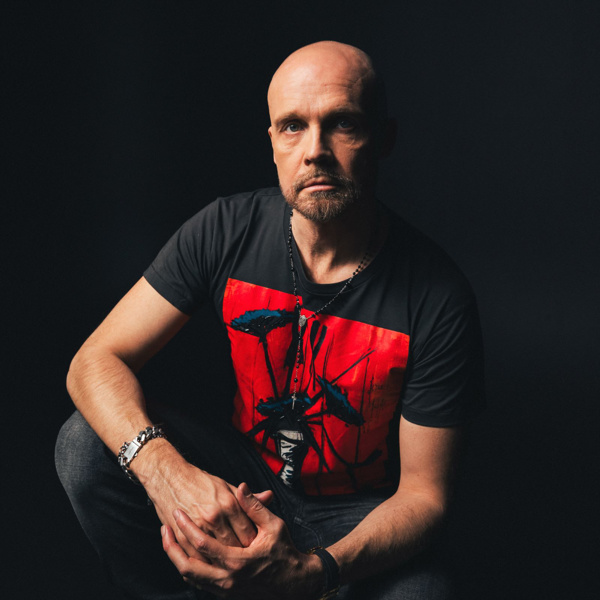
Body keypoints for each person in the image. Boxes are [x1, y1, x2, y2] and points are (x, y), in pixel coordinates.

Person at [56, 41, 484, 600]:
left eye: (343, 124)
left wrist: (312, 573)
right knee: (84, 444)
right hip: (246, 484)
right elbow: (93, 361)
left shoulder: (438, 294)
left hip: (357, 516)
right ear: (274, 143)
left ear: (384, 138)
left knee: (423, 593)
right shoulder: (224, 229)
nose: (315, 151)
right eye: (293, 127)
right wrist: (167, 475)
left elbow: (426, 498)